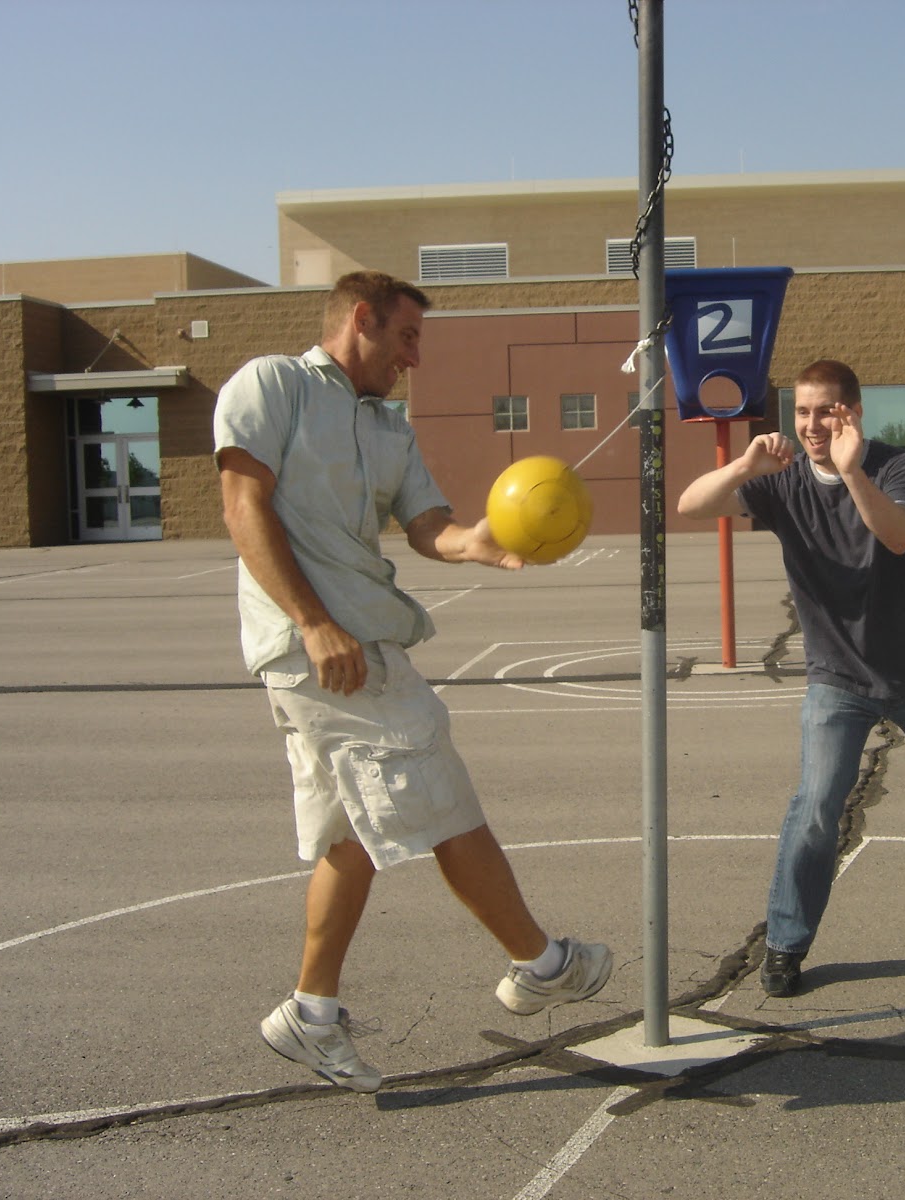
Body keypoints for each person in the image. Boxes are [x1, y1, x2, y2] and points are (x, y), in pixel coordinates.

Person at [213, 271, 611, 1092]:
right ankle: (540, 962)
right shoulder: (273, 386)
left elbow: (431, 529)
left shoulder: (389, 429)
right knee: (443, 798)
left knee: (349, 838)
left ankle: (310, 1017)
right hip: (325, 650)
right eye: (407, 338)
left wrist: (491, 541)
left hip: (358, 647)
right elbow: (241, 505)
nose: (415, 359)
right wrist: (315, 624)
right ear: (361, 319)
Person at [676, 359, 905, 997]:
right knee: (815, 811)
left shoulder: (897, 465)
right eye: (803, 412)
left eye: (826, 411)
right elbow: (689, 505)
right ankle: (786, 944)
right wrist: (743, 466)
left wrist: (849, 471)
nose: (812, 425)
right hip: (837, 679)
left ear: (854, 413)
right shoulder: (782, 481)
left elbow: (897, 536)